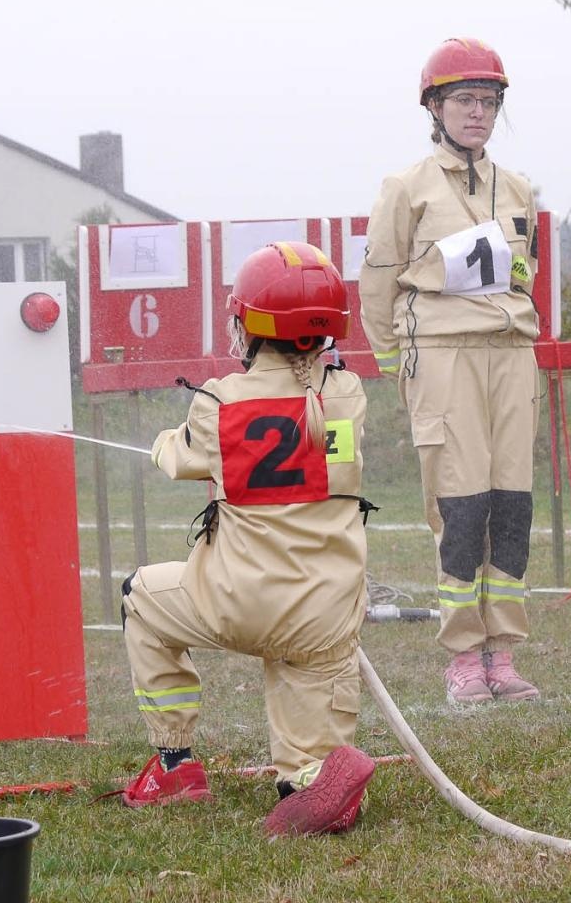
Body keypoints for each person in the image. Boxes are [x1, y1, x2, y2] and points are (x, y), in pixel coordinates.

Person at [119, 241, 377, 837]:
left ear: (253, 325)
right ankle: (310, 781)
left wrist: (162, 443)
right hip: (325, 617)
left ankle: (174, 764)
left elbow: (178, 458)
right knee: (309, 758)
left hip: (236, 603)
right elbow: (328, 451)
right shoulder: (345, 398)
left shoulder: (218, 402)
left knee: (140, 599)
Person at [360, 37, 543, 706]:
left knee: (512, 506)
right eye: (465, 99)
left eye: (489, 101)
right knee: (461, 506)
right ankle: (464, 657)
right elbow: (376, 282)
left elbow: (527, 274)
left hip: (510, 357)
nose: (478, 112)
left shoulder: (518, 187)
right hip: (440, 357)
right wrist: (395, 362)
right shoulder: (405, 188)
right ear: (434, 107)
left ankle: (506, 652)